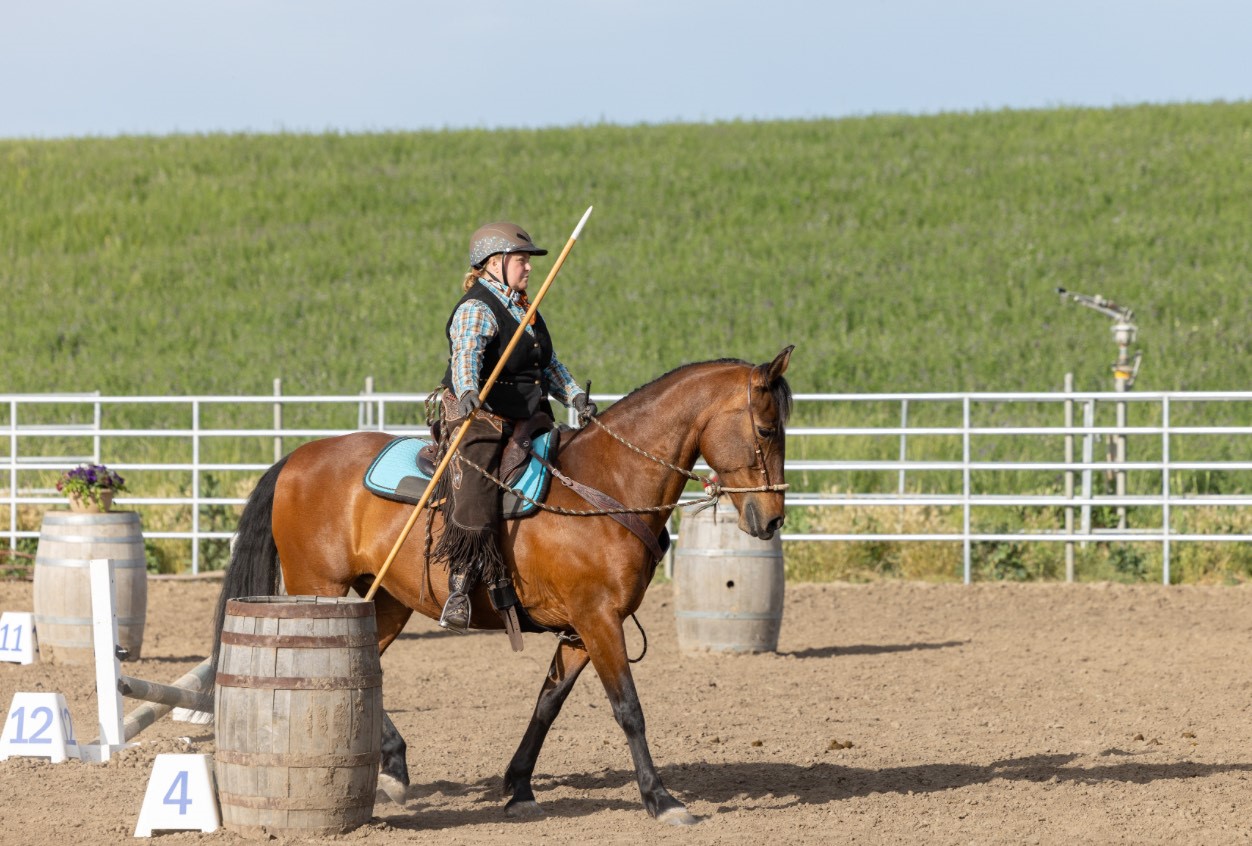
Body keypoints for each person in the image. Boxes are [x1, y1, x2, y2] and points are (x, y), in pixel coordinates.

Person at [433, 221, 595, 631]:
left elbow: (548, 364)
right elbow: (466, 354)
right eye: (521, 260)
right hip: (480, 413)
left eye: (527, 260)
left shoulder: (525, 306)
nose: (528, 268)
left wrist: (574, 395)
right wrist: (469, 390)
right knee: (477, 478)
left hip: (526, 412)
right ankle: (462, 580)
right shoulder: (477, 307)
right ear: (494, 263)